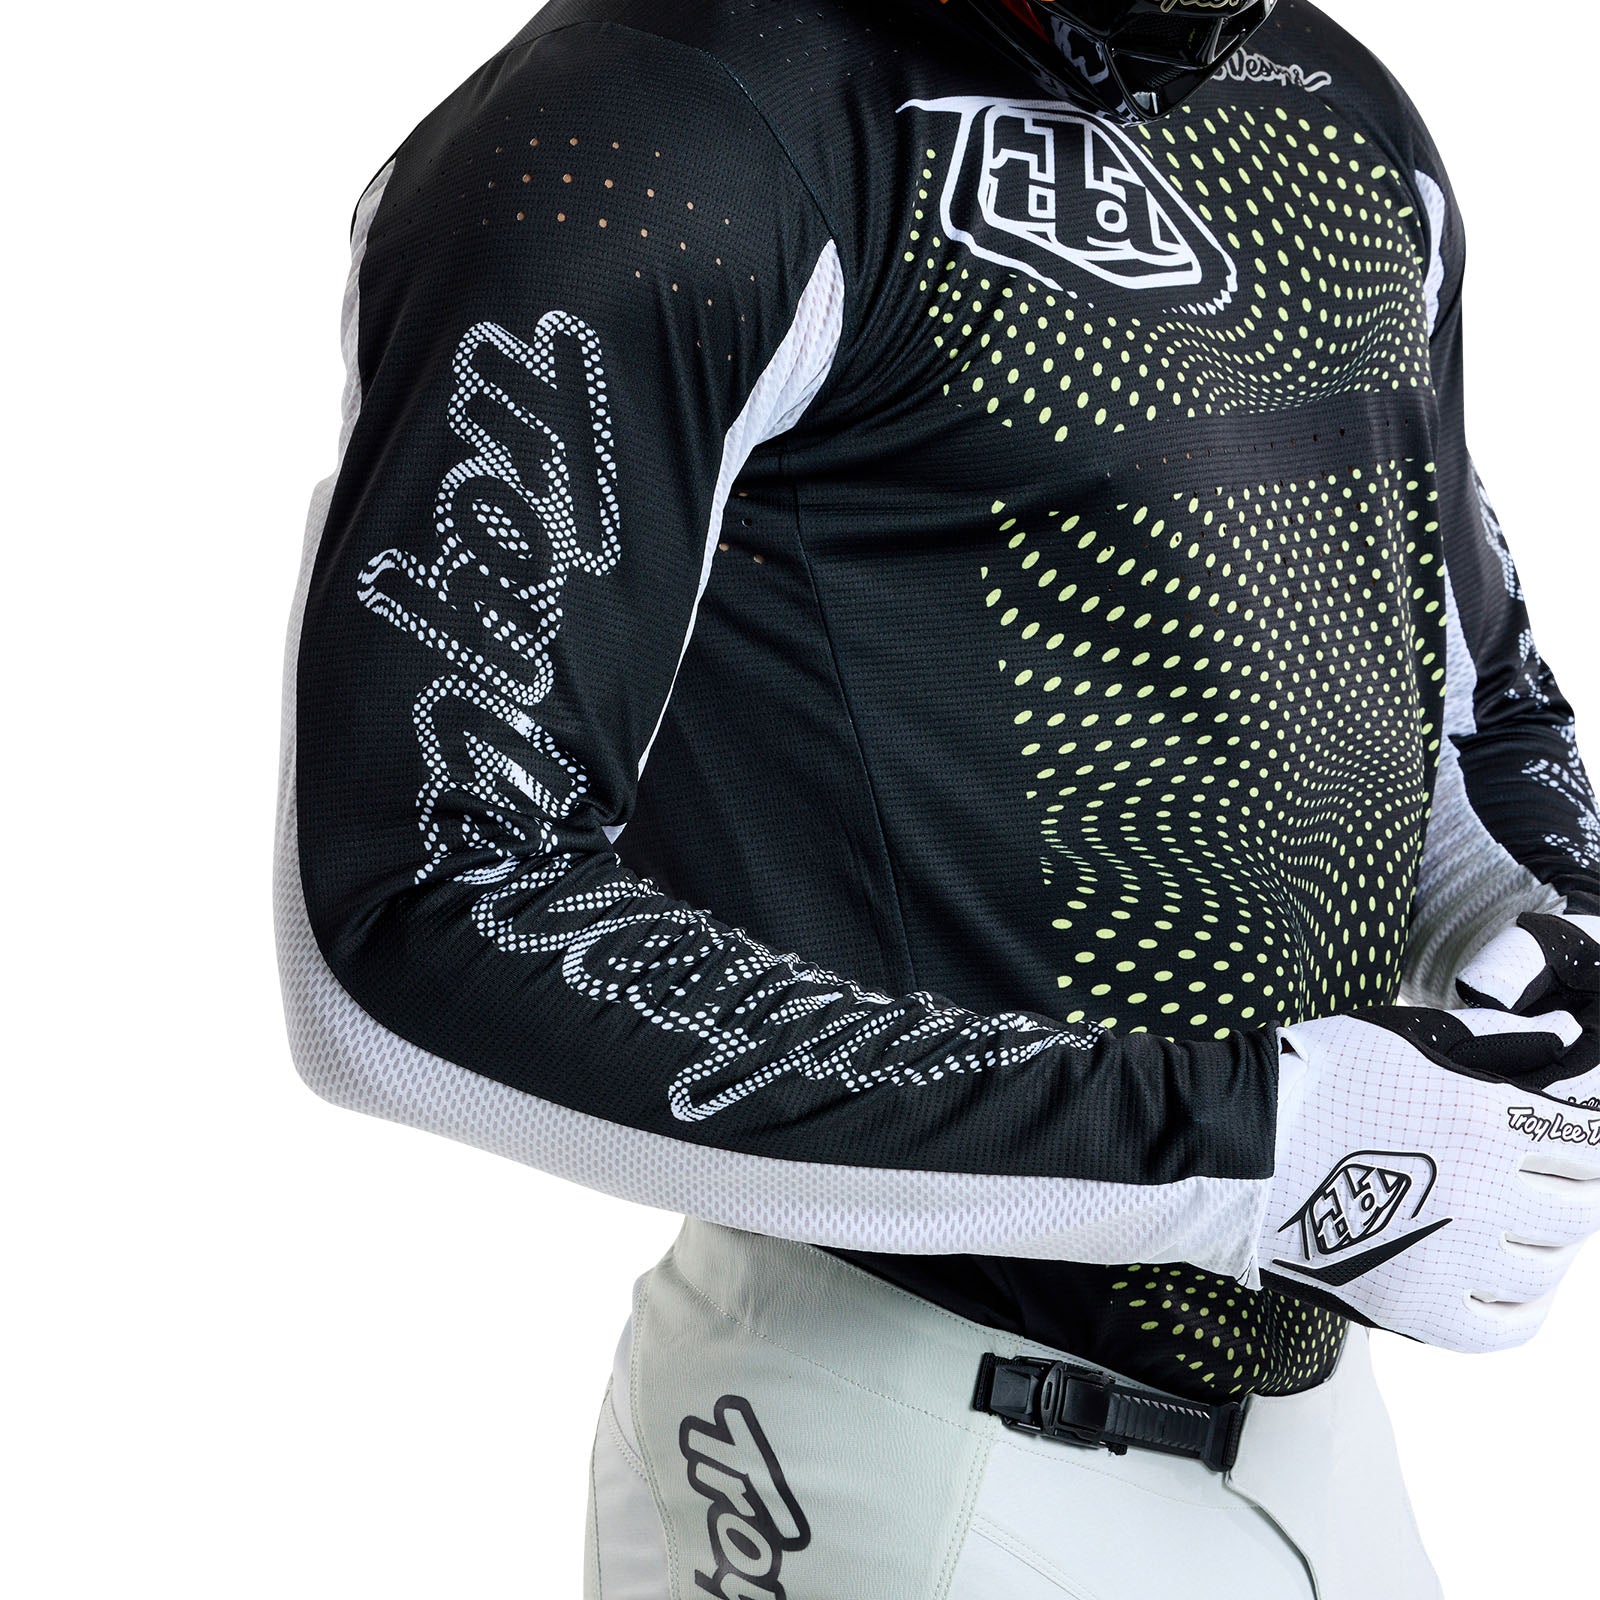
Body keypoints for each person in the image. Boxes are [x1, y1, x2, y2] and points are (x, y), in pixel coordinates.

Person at [274, 2, 1600, 1594]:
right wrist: (1251, 1148)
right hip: (897, 1443)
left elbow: (1460, 701)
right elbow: (411, 921)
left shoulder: (1336, 108)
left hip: (1324, 1441)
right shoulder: (652, 122)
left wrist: (1557, 934)